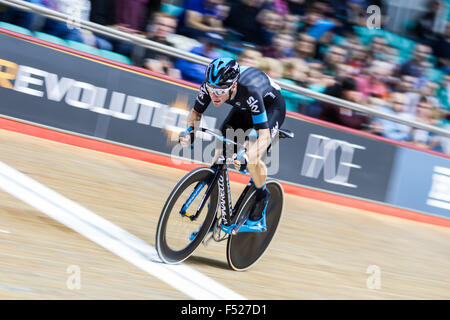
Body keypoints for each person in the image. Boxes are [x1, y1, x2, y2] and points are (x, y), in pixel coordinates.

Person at [180, 57, 286, 227]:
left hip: (270, 106)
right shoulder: (212, 86)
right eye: (211, 89)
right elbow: (195, 113)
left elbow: (264, 137)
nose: (214, 95)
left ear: (234, 85)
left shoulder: (250, 90)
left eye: (220, 91)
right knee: (220, 153)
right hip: (243, 107)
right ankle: (212, 210)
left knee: (252, 160)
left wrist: (247, 156)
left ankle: (262, 195)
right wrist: (189, 133)